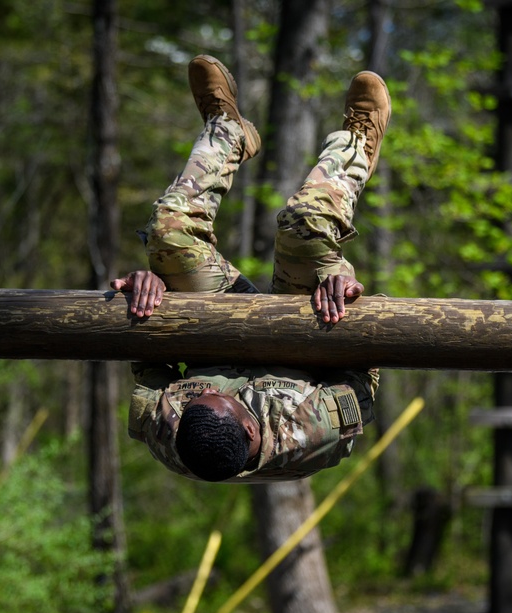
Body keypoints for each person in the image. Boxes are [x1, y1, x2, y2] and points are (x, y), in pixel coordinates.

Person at [111, 54, 390, 483]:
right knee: (303, 227)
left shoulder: (167, 427)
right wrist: (346, 289)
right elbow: (364, 372)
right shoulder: (310, 429)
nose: (204, 390)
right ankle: (357, 147)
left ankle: (227, 131)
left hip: (214, 324)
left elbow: (149, 364)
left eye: (196, 395)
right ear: (249, 427)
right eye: (215, 396)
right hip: (307, 324)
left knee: (167, 234)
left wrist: (148, 291)